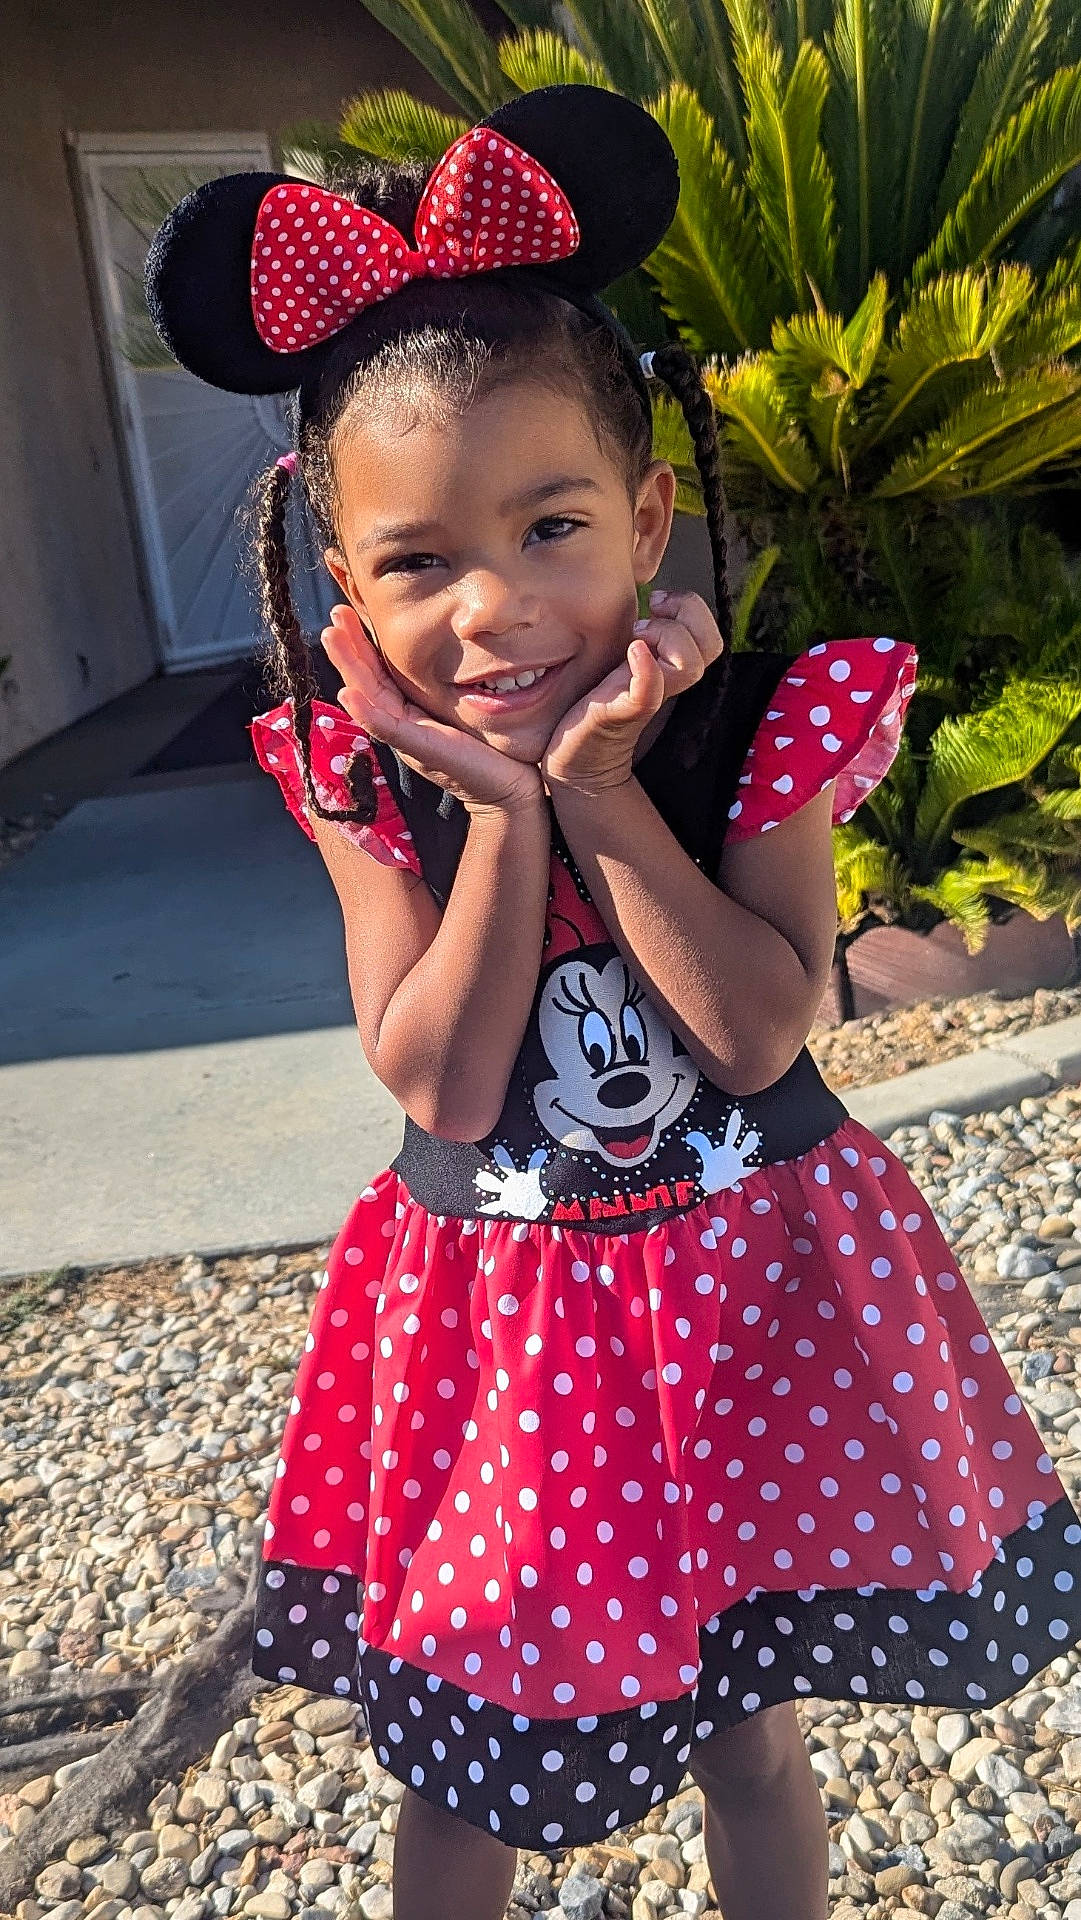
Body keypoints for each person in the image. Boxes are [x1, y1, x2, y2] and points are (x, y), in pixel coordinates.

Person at [145, 85, 1081, 1920]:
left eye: (549, 526)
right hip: (502, 1333)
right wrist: (497, 815)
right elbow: (443, 1077)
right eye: (417, 563)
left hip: (745, 1302)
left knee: (750, 1731)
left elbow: (752, 1036)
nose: (493, 610)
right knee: (469, 1747)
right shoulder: (360, 780)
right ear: (343, 589)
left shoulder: (760, 736)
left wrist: (597, 791)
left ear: (646, 518)